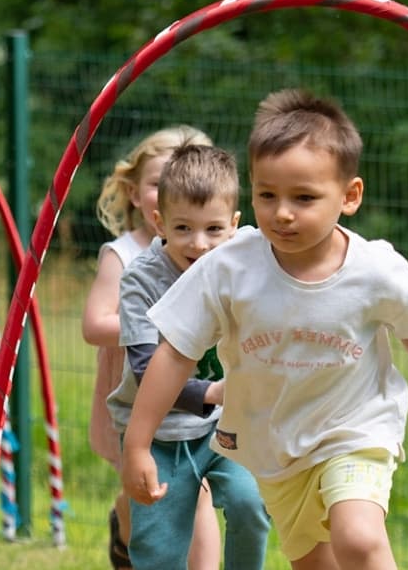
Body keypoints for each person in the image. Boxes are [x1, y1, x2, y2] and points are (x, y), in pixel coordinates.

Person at [121, 89, 408, 570]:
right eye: (266, 195)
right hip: (276, 448)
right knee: (316, 563)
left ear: (350, 196)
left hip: (354, 430)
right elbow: (174, 354)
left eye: (304, 197)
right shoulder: (228, 268)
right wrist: (137, 442)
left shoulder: (375, 269)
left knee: (357, 537)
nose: (282, 212)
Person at [107, 143, 269, 570]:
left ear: (234, 226)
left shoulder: (246, 256)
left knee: (251, 503)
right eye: (183, 229)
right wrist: (214, 391)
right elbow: (146, 369)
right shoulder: (141, 280)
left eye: (214, 229)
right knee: (160, 552)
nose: (199, 244)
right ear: (158, 221)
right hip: (157, 435)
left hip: (224, 429)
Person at [84, 125, 221, 569]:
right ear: (134, 191)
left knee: (199, 495)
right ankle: (125, 533)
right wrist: (158, 319)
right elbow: (93, 324)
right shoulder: (123, 254)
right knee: (143, 492)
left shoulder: (210, 246)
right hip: (133, 390)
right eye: (158, 184)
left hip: (197, 398)